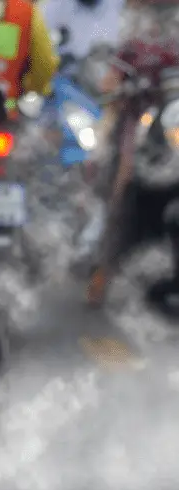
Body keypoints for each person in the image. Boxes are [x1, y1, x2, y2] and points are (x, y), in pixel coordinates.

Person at [85, 0, 179, 307]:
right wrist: (120, 91)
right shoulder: (134, 46)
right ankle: (103, 276)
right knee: (121, 191)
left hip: (174, 126)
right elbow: (110, 83)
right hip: (141, 130)